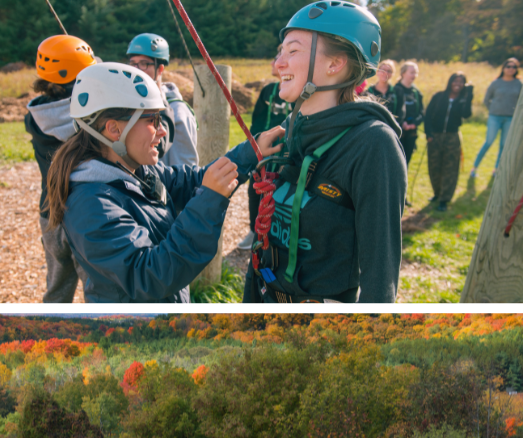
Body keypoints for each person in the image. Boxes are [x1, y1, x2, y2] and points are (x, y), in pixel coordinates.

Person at [46, 62, 257, 303]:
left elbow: (195, 181)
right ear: (114, 129)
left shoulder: (138, 170)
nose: (162, 131)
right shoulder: (91, 205)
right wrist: (209, 199)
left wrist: (251, 152)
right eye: (152, 120)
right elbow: (150, 276)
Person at [243, 1, 405, 303]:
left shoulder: (372, 144)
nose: (279, 63)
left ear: (335, 64)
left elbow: (379, 279)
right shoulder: (288, 130)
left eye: (292, 51)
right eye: (281, 52)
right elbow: (262, 244)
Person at [26, 35, 99, 303]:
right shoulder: (89, 120)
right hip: (83, 215)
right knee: (96, 289)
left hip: (50, 213)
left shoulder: (35, 116)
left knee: (56, 288)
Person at [240, 56, 292, 250]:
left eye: (279, 58)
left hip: (285, 153)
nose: (274, 63)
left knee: (280, 189)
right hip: (263, 151)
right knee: (255, 188)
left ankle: (277, 233)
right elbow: (256, 121)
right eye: (274, 59)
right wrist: (255, 147)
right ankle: (254, 231)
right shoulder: (267, 91)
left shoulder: (298, 93)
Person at [127, 33, 199, 167]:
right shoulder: (132, 104)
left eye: (143, 64)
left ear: (160, 69)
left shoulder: (179, 112)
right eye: (133, 64)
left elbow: (185, 167)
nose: (136, 70)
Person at [424, 71, 474, 212]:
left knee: (450, 168)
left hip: (452, 137)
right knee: (434, 166)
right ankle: (437, 193)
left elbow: (466, 114)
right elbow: (427, 115)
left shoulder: (463, 100)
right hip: (435, 136)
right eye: (455, 81)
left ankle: (444, 199)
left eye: (461, 82)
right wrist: (428, 133)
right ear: (450, 81)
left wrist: (469, 96)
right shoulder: (439, 96)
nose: (457, 84)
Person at [473, 58, 520, 177]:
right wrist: (493, 109)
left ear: (516, 69)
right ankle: (475, 168)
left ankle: (497, 170)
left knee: (504, 145)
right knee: (488, 142)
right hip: (495, 117)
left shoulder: (519, 84)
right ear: (503, 68)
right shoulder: (496, 83)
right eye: (508, 66)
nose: (511, 69)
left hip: (510, 118)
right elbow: (486, 99)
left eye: (514, 67)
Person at [391, 61, 425, 205]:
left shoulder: (417, 93)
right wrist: (401, 123)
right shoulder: (395, 90)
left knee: (406, 165)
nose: (414, 75)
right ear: (403, 73)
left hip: (411, 134)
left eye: (415, 72)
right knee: (394, 165)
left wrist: (413, 124)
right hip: (397, 134)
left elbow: (422, 112)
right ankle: (391, 195)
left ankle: (402, 197)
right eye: (412, 72)